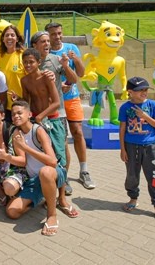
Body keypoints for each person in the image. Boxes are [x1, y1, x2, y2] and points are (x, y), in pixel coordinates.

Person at [0, 101, 77, 236]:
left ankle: (52, 214)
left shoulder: (38, 130)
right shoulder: (16, 133)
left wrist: (26, 147)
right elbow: (23, 161)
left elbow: (52, 162)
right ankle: (44, 197)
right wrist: (6, 157)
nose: (16, 116)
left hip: (53, 174)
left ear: (29, 114)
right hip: (34, 180)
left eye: (20, 113)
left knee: (45, 171)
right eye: (13, 114)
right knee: (12, 212)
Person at [46, 22, 95, 192]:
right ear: (48, 35)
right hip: (54, 101)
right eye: (53, 34)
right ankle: (63, 176)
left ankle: (84, 170)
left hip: (72, 98)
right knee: (62, 138)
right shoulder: (45, 51)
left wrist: (76, 59)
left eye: (59, 33)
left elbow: (80, 73)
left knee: (78, 132)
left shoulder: (71, 47)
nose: (57, 37)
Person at [32, 29, 82, 195]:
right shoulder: (30, 61)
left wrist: (66, 66)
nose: (47, 44)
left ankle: (63, 181)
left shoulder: (56, 60)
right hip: (38, 116)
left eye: (48, 41)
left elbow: (74, 80)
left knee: (61, 148)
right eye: (43, 41)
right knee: (43, 150)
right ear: (34, 45)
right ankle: (45, 182)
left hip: (57, 113)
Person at [119, 77, 155, 225]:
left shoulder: (153, 105)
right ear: (130, 92)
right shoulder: (125, 108)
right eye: (141, 90)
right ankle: (133, 199)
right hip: (131, 147)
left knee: (154, 177)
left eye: (146, 90)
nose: (144, 93)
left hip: (150, 148)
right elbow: (122, 129)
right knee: (132, 175)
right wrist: (122, 149)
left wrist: (145, 116)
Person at [0, 25, 25, 124]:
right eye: (7, 35)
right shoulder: (0, 56)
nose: (9, 38)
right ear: (3, 39)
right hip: (5, 105)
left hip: (21, 104)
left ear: (17, 39)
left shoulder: (23, 55)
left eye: (12, 35)